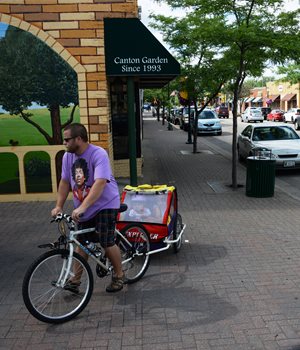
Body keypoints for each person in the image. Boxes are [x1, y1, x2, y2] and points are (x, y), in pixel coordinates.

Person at [51, 123, 125, 293]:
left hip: (105, 203)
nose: (64, 142)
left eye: (67, 139)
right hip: (85, 206)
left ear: (78, 139)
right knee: (81, 241)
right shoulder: (67, 157)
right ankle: (75, 280)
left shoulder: (98, 154)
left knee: (106, 240)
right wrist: (59, 206)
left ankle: (119, 275)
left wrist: (83, 207)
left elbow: (99, 183)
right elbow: (64, 181)